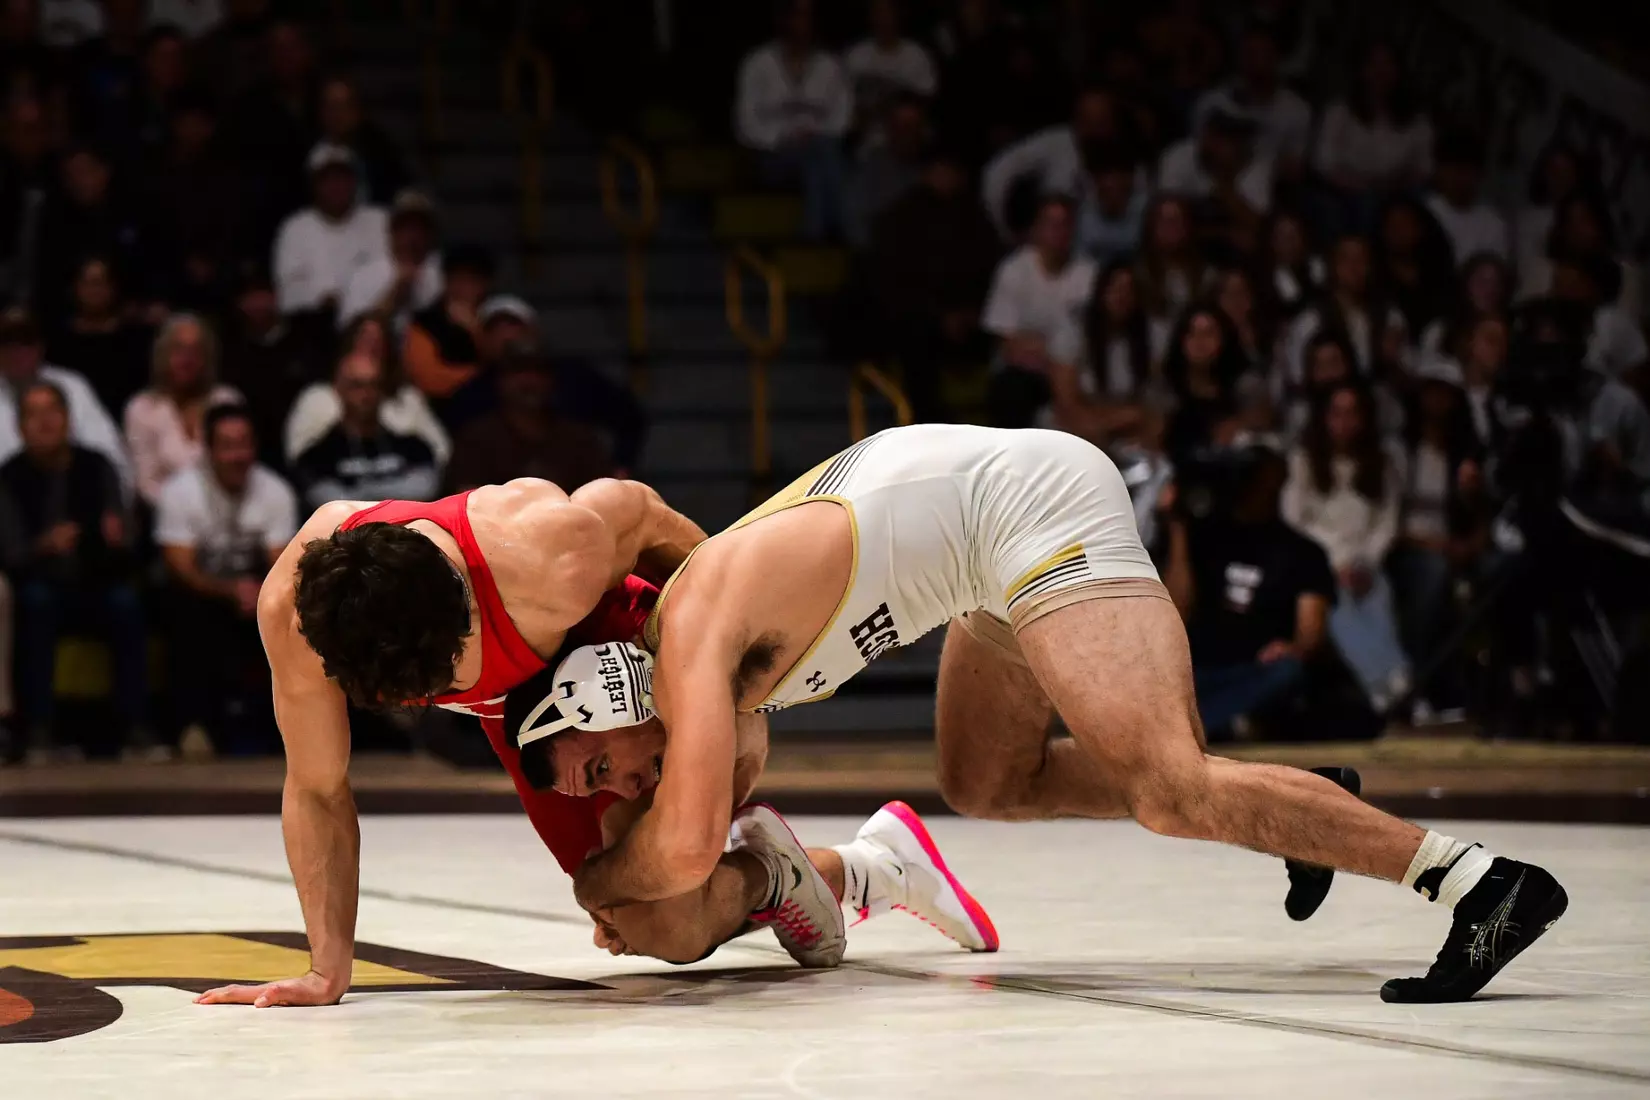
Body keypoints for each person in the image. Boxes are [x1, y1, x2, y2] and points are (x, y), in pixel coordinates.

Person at [548, 420, 1568, 1003]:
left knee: (1173, 791)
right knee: (988, 780)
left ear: (607, 694)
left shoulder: (691, 638)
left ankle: (1479, 882)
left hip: (1030, 507)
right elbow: (686, 869)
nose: (623, 786)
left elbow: (679, 859)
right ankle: (1301, 809)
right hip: (975, 564)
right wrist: (633, 876)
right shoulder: (706, 684)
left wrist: (596, 877)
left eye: (600, 765)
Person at [0, 380, 150, 762]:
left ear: (68, 418)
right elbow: (11, 552)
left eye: (52, 411)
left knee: (127, 603)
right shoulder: (9, 477)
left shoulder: (96, 465)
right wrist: (44, 546)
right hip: (40, 583)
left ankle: (134, 727)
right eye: (33, 414)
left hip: (96, 578)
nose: (45, 422)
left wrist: (119, 537)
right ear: (20, 427)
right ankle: (39, 730)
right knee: (36, 603)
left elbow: (126, 533)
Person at [1162, 444, 1333, 738]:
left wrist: (1293, 647)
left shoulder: (1303, 551)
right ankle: (1224, 721)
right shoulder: (1205, 537)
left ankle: (1194, 728)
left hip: (1254, 670)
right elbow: (1173, 611)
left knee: (1288, 672)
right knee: (1154, 671)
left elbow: (1311, 634)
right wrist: (1178, 526)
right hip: (1198, 668)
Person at [154, 403, 296, 752]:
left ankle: (285, 729)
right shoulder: (180, 491)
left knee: (293, 609)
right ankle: (193, 726)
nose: (238, 455)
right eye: (228, 446)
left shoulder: (275, 491)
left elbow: (283, 563)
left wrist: (259, 593)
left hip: (258, 591)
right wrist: (229, 590)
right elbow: (180, 565)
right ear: (209, 450)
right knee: (185, 612)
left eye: (244, 444)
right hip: (200, 593)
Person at [1282, 384, 1410, 713]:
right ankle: (1380, 685)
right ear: (1324, 418)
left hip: (1365, 564)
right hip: (1322, 562)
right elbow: (1295, 519)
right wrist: (1337, 560)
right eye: (1337, 412)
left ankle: (1397, 679)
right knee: (1337, 605)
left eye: (1352, 413)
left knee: (1378, 599)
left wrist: (1365, 561)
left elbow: (1386, 522)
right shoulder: (1304, 461)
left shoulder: (1381, 464)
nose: (1344, 421)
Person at [866, 145, 1000, 424]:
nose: (947, 177)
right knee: (914, 337)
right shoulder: (901, 217)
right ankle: (925, 421)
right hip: (919, 318)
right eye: (941, 170)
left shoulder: (975, 217)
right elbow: (893, 281)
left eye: (953, 171)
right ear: (927, 174)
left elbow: (992, 271)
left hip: (973, 318)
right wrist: (939, 315)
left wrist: (972, 312)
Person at [734, 0, 851, 241]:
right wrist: (785, 138)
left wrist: (812, 134)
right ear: (784, 19)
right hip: (773, 155)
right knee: (824, 157)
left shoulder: (831, 66)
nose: (803, 23)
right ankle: (847, 237)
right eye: (798, 15)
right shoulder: (758, 63)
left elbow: (843, 118)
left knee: (818, 160)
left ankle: (812, 236)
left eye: (808, 16)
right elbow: (745, 123)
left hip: (819, 148)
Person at [982, 195, 1097, 429]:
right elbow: (1006, 341)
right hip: (1027, 372)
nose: (1059, 231)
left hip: (1076, 369)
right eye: (1051, 224)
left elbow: (1093, 335)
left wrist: (1056, 356)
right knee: (1011, 388)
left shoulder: (1089, 274)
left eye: (1065, 224)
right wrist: (1054, 356)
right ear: (1036, 229)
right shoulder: (1013, 270)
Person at [285, 312, 449, 468]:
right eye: (364, 340)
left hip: (405, 488)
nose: (370, 348)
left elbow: (441, 452)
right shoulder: (317, 398)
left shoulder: (407, 398)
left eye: (378, 342)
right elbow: (297, 456)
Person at [443, 346, 611, 495]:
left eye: (538, 372)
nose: (529, 381)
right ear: (500, 382)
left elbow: (602, 493)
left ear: (551, 380)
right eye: (518, 372)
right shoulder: (477, 437)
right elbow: (466, 497)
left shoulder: (577, 436)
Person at [0, 307, 132, 491]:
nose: (17, 351)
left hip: (76, 503)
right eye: (8, 343)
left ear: (40, 346)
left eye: (26, 341)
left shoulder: (73, 387)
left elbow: (110, 456)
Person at [293, 352, 439, 511]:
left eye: (374, 385)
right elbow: (329, 504)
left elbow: (426, 489)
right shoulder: (316, 456)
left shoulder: (414, 447)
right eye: (357, 386)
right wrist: (392, 497)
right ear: (338, 389)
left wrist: (363, 495)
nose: (367, 394)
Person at [123, 312, 241, 508]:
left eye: (196, 350)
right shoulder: (142, 408)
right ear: (163, 355)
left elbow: (239, 466)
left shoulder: (227, 400)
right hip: (166, 516)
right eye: (178, 349)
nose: (187, 359)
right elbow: (146, 482)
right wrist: (186, 513)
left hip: (229, 510)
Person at [1311, 40, 1432, 231]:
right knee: (1366, 204)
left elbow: (1424, 169)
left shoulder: (1416, 121)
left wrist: (1393, 187)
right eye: (1374, 64)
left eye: (1387, 64)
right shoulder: (1340, 111)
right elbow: (1323, 163)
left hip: (1395, 192)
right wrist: (1362, 186)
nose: (1380, 72)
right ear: (1362, 70)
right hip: (1346, 192)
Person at [980, 85, 1130, 239]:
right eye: (1086, 119)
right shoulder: (1057, 143)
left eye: (1101, 121)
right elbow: (997, 173)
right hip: (1049, 245)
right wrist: (1003, 231)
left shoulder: (1129, 156)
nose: (1093, 129)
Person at [272, 143, 388, 318]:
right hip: (314, 324)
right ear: (313, 185)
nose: (336, 186)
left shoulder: (380, 221)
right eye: (326, 179)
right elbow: (287, 294)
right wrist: (322, 298)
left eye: (342, 177)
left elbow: (391, 277)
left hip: (372, 320)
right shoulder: (295, 228)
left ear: (354, 181)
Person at [1190, 22, 1309, 179]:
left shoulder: (1296, 110)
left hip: (1269, 189)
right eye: (1251, 54)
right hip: (1215, 183)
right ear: (1240, 57)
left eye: (1265, 54)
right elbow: (1196, 156)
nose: (1258, 62)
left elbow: (1294, 166)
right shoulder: (1213, 103)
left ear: (1277, 58)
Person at [45, 255, 152, 418]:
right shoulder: (57, 341)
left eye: (101, 282)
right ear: (75, 287)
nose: (94, 290)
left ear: (113, 287)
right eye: (87, 282)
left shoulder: (136, 340)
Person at [337, 189, 442, 331]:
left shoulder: (442, 276)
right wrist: (392, 299)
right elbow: (348, 333)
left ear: (431, 234)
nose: (412, 237)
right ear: (392, 231)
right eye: (405, 227)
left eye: (419, 228)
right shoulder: (364, 276)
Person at [842, 0, 936, 144]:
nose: (883, 19)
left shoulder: (916, 56)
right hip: (867, 143)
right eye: (878, 12)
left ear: (898, 15)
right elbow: (844, 108)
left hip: (908, 144)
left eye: (888, 12)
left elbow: (926, 106)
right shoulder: (855, 56)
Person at [314, 73, 410, 206]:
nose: (338, 115)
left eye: (345, 106)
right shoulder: (306, 154)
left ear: (357, 110)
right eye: (332, 107)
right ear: (321, 111)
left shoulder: (382, 152)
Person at [1424, 130, 1509, 269]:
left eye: (1465, 169)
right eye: (1451, 168)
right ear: (1438, 171)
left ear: (1480, 173)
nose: (1457, 177)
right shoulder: (1423, 213)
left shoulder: (1493, 224)